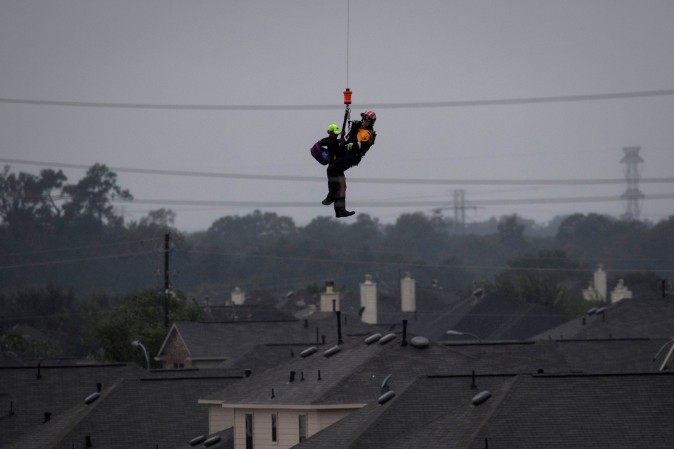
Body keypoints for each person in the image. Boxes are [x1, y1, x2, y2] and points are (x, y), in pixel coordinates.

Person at [322, 111, 377, 218]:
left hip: (352, 156)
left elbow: (364, 144)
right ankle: (340, 210)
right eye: (363, 119)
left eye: (366, 120)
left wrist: (354, 144)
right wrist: (349, 132)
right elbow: (346, 140)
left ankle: (331, 194)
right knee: (341, 182)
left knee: (331, 170)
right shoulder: (357, 127)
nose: (364, 122)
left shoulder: (369, 133)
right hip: (344, 153)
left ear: (371, 123)